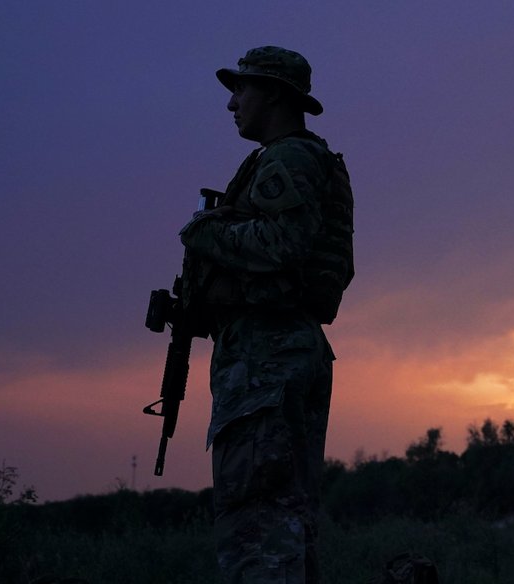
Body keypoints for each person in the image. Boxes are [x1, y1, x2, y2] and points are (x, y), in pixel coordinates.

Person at [179, 46, 354, 584]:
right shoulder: (290, 158)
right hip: (274, 352)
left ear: (274, 94)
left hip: (268, 358)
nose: (232, 104)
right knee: (282, 522)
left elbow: (282, 244)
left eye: (242, 90)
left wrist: (204, 232)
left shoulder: (290, 157)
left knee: (257, 524)